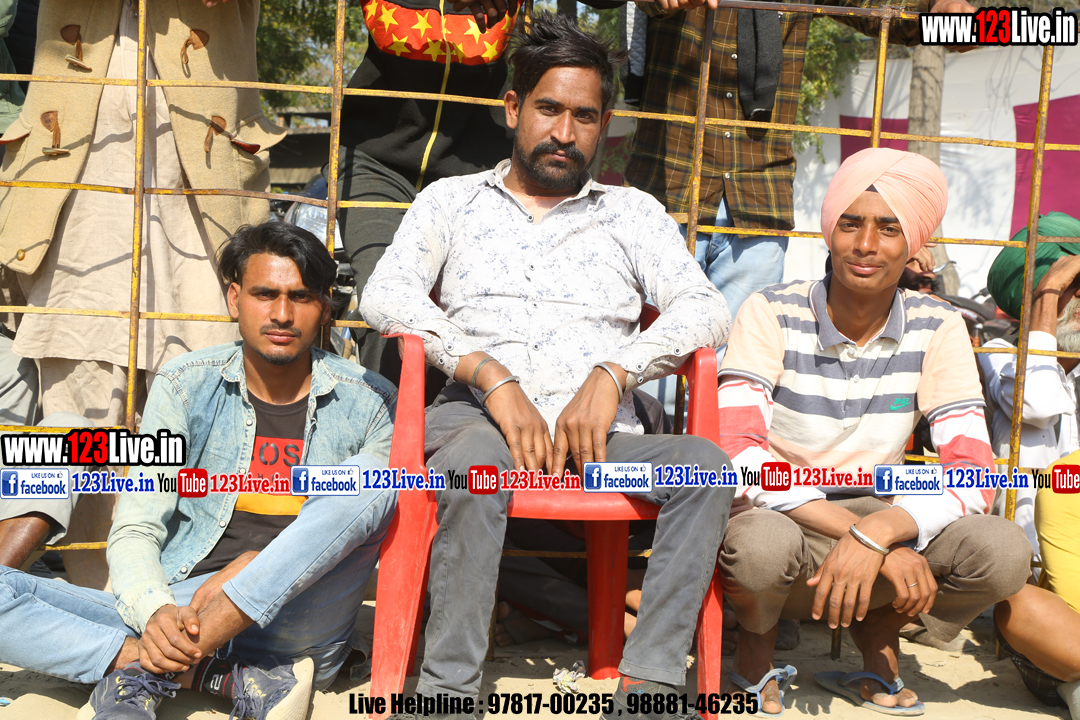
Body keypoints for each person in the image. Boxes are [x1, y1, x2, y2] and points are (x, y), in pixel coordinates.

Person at [361, 14, 734, 719]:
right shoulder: (452, 201)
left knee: (708, 470)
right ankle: (447, 694)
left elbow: (706, 309)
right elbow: (385, 293)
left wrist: (614, 374)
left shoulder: (632, 214)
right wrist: (488, 374)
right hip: (476, 424)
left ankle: (648, 689)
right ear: (513, 109)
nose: (564, 132)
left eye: (584, 116)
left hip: (602, 448)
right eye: (549, 109)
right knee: (476, 466)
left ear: (605, 125)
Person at [0, 222, 398, 720]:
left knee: (371, 482)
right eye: (264, 294)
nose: (282, 314)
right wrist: (157, 612)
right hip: (183, 606)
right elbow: (138, 526)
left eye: (300, 297)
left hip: (298, 622)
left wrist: (254, 564)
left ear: (324, 306)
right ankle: (190, 670)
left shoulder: (370, 400)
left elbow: (364, 511)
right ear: (234, 299)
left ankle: (143, 672)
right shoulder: (185, 385)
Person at [716, 148, 1032, 715]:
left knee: (1004, 550)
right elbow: (737, 456)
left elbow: (976, 474)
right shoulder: (771, 310)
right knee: (759, 546)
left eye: (889, 229)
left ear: (913, 245)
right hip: (788, 522)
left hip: (886, 521)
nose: (866, 244)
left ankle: (879, 634)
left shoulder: (939, 325)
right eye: (850, 224)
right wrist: (861, 538)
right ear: (829, 232)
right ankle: (756, 648)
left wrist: (882, 531)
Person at [625, 0, 975, 332]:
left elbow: (885, 11)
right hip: (668, 193)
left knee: (739, 356)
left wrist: (943, 13)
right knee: (647, 353)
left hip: (759, 197)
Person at [980, 212, 1080, 561]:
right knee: (1027, 423)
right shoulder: (997, 354)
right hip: (1028, 553)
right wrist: (1047, 298)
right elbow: (1036, 405)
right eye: (1070, 285)